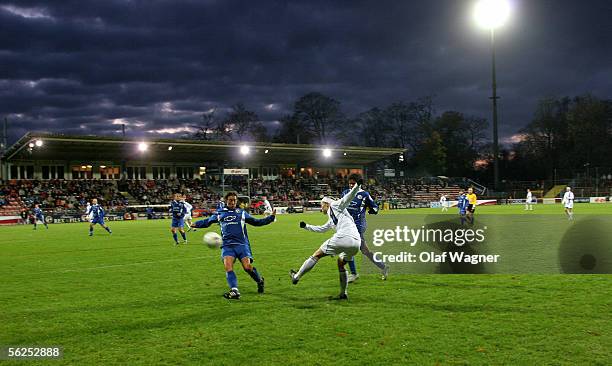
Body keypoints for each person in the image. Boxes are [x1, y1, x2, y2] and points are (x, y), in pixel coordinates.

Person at [192, 192, 275, 300]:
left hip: (242, 245)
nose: (233, 202)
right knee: (228, 267)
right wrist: (196, 224)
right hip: (227, 246)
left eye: (234, 200)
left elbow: (256, 222)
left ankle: (260, 281)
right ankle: (234, 291)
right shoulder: (220, 213)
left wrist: (271, 218)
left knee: (247, 267)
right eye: (230, 200)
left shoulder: (241, 212)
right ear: (226, 201)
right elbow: (208, 221)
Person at [290, 179, 362, 300]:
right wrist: (306, 226)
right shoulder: (332, 217)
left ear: (326, 204)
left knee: (317, 255)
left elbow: (348, 198)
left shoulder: (334, 205)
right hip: (356, 243)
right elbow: (322, 229)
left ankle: (296, 277)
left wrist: (357, 186)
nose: (320, 208)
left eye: (321, 205)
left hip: (344, 236)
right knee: (341, 263)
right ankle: (343, 293)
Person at [341, 174, 389, 283]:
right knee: (365, 251)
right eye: (350, 183)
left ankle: (353, 274)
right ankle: (383, 266)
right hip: (347, 225)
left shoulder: (364, 194)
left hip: (359, 225)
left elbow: (375, 207)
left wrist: (373, 210)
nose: (351, 185)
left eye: (354, 183)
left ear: (359, 184)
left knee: (348, 248)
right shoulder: (345, 193)